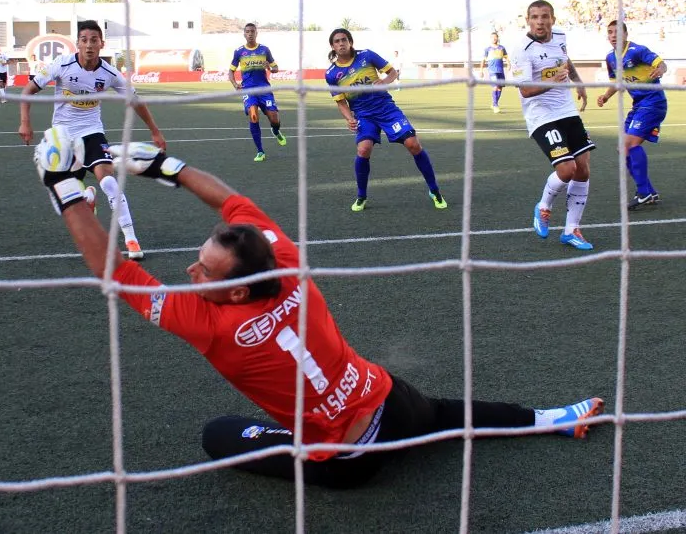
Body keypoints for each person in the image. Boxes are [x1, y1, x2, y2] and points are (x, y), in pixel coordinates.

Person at [31, 126, 606, 488]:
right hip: (391, 402)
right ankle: (554, 417)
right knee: (447, 413)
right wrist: (167, 167)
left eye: (203, 269)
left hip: (348, 459)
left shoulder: (208, 323)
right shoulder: (284, 258)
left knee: (218, 434)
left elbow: (114, 268)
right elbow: (232, 201)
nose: (190, 271)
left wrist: (63, 186)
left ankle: (311, 451)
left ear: (234, 290)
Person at [18, 20, 167, 260]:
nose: (89, 45)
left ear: (101, 44)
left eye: (94, 40)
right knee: (66, 202)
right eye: (84, 40)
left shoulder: (109, 73)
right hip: (63, 136)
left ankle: (131, 239)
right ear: (77, 43)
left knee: (107, 179)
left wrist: (155, 130)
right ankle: (87, 197)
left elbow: (135, 101)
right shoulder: (62, 64)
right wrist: (25, 121)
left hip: (91, 131)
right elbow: (28, 91)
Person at [325, 28, 447, 212]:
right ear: (333, 46)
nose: (341, 43)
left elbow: (392, 72)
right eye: (337, 41)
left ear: (350, 42)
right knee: (363, 149)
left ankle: (434, 190)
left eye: (344, 39)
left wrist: (384, 81)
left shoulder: (367, 56)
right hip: (363, 115)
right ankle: (361, 196)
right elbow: (341, 101)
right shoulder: (332, 74)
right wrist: (349, 118)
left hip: (386, 109)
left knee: (413, 144)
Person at [510, 0, 593, 250]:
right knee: (566, 170)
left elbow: (566, 61)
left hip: (567, 111)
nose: (540, 21)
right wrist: (554, 83)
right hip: (541, 116)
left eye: (544, 16)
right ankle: (544, 206)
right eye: (534, 17)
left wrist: (578, 83)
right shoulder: (522, 50)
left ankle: (571, 230)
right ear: (528, 20)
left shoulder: (560, 36)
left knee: (583, 170)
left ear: (553, 19)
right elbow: (525, 90)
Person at [596, 21, 669, 210]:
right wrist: (605, 96)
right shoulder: (611, 58)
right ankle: (650, 192)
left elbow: (661, 63)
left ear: (626, 34)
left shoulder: (637, 50)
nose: (613, 36)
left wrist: (660, 69)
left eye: (617, 32)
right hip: (639, 106)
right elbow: (617, 81)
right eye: (610, 32)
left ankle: (643, 192)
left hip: (653, 102)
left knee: (631, 144)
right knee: (623, 148)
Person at [228, 23, 287, 162]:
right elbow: (231, 71)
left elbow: (276, 68)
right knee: (253, 116)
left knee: (274, 118)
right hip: (249, 90)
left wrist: (270, 68)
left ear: (256, 33)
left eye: (252, 31)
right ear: (244, 34)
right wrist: (235, 84)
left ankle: (276, 131)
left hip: (264, 89)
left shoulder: (264, 49)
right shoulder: (239, 52)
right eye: (247, 31)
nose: (250, 34)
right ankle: (260, 151)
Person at [480, 32, 509, 114]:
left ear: (497, 38)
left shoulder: (502, 48)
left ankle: (494, 104)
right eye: (492, 37)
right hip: (492, 71)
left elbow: (506, 57)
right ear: (490, 38)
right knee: (495, 86)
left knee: (500, 88)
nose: (494, 38)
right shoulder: (487, 49)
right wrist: (481, 70)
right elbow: (483, 60)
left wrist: (509, 64)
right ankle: (495, 105)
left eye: (495, 37)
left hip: (501, 71)